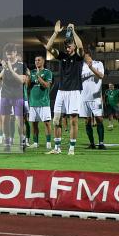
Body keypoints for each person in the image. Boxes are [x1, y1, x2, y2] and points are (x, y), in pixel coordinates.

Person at [44, 20, 84, 155]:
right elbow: (48, 47)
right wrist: (55, 33)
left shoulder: (79, 57)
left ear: (73, 46)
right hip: (61, 91)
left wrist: (73, 31)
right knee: (56, 120)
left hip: (74, 91)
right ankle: (57, 148)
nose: (67, 48)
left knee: (73, 120)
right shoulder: (62, 56)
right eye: (66, 46)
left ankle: (71, 148)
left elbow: (80, 46)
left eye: (69, 46)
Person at [0, 48, 28, 152]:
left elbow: (22, 80)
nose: (9, 57)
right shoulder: (6, 65)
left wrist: (11, 70)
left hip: (17, 96)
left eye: (10, 54)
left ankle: (22, 141)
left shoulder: (21, 65)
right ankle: (7, 143)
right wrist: (2, 69)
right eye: (7, 55)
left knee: (19, 121)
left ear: (15, 53)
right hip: (5, 95)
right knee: (5, 121)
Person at [79, 51, 106, 150]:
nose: (82, 57)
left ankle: (101, 143)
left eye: (83, 55)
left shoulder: (98, 63)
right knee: (87, 121)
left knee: (99, 119)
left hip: (96, 97)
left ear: (89, 55)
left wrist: (91, 68)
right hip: (83, 97)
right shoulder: (80, 65)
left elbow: (101, 76)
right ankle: (92, 144)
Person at [27, 55, 53, 149]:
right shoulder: (32, 72)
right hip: (33, 102)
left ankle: (48, 143)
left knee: (47, 123)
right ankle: (35, 142)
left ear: (43, 61)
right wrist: (28, 77)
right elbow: (27, 86)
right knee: (34, 124)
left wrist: (38, 77)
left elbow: (47, 86)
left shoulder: (47, 72)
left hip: (44, 103)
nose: (37, 62)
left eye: (39, 60)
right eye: (35, 60)